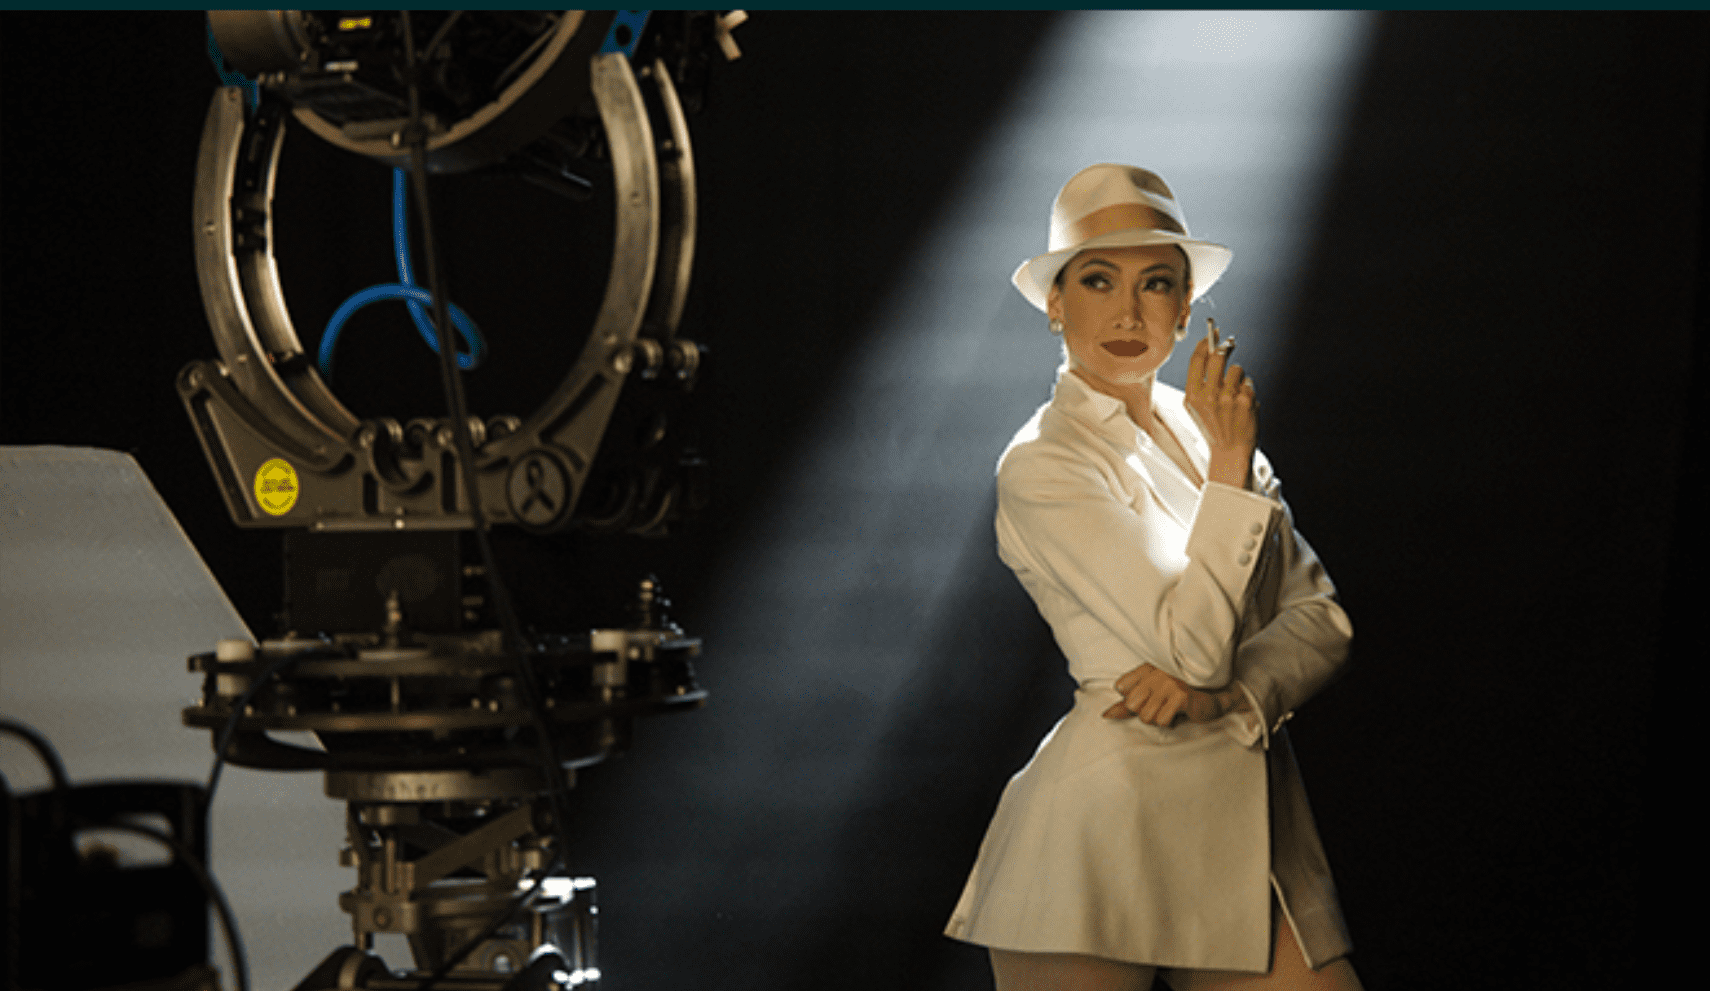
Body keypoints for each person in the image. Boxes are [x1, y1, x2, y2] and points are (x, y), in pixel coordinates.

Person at [944, 164, 1363, 991]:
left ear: (1185, 307)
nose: (1130, 312)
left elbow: (1322, 620)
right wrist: (1230, 470)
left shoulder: (1215, 436)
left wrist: (1234, 699)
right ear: (1056, 303)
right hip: (1099, 832)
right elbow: (1192, 647)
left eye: (1156, 283)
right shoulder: (1042, 463)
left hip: (1252, 831)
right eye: (1098, 280)